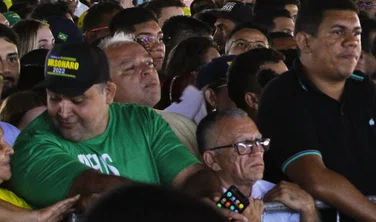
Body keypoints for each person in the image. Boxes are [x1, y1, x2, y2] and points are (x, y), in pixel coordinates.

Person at [256, 0, 376, 222]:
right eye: (338, 32)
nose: (352, 42)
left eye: (357, 33)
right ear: (304, 42)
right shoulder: (282, 94)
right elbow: (316, 177)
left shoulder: (364, 89)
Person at [10, 41, 219, 209]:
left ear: (109, 93)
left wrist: (209, 199)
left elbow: (192, 175)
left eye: (78, 101)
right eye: (54, 98)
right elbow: (97, 187)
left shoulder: (141, 120)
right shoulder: (32, 146)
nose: (63, 112)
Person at [197, 109, 319, 222]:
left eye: (260, 142)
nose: (257, 151)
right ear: (213, 160)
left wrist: (308, 209)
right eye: (244, 145)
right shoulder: (200, 208)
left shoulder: (280, 194)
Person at [101, 35, 200, 156]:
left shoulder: (183, 123)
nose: (148, 70)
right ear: (106, 88)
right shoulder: (99, 139)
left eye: (149, 62)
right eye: (130, 68)